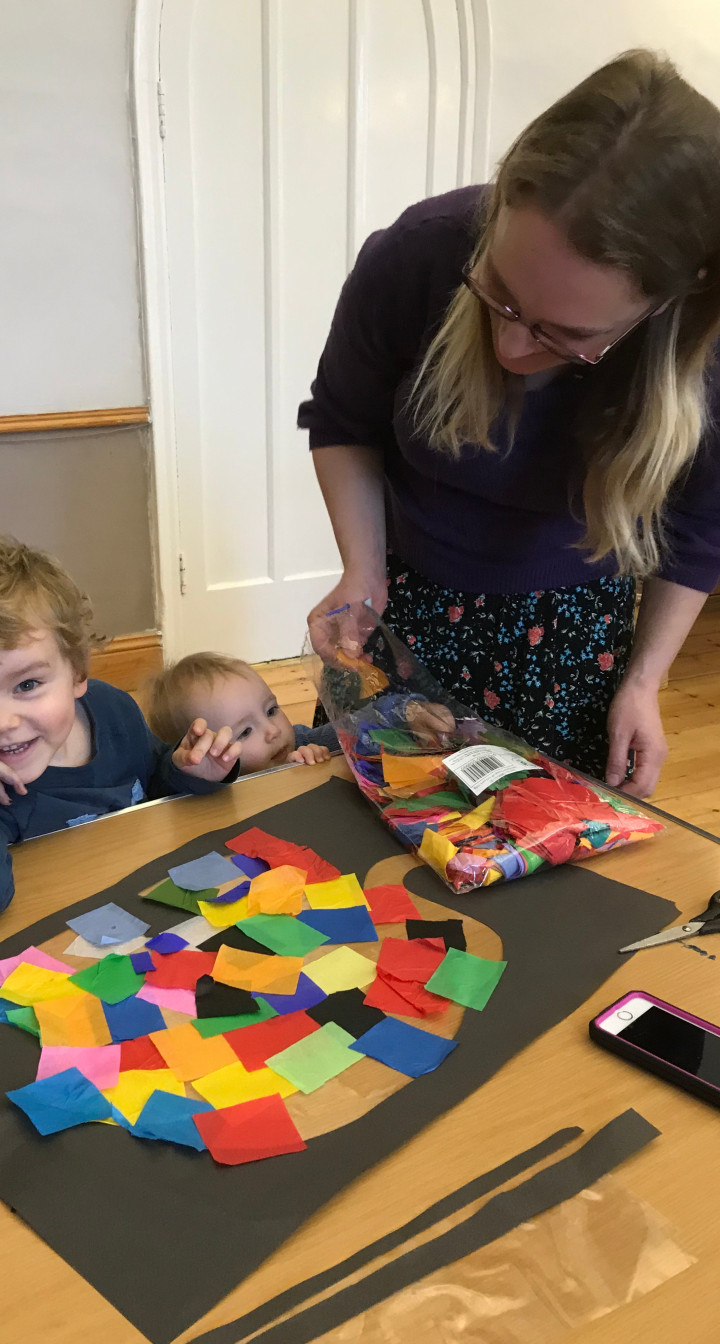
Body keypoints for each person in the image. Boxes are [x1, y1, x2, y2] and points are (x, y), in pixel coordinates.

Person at [300, 50, 720, 794]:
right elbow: (342, 417)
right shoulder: (419, 252)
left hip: (574, 645)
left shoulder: (705, 350)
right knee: (371, 840)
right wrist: (361, 571)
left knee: (536, 855)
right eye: (499, 294)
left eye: (565, 334)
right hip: (407, 608)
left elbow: (696, 530)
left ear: (665, 304)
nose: (512, 346)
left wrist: (645, 681)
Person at [0, 535, 241, 928]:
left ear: (78, 673)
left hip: (149, 909)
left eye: (26, 685)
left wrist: (189, 772)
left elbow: (152, 783)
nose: (0, 722)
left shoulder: (112, 709)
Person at [146, 651, 454, 772]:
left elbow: (355, 730)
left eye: (271, 710)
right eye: (245, 731)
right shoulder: (203, 795)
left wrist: (404, 711)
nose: (273, 731)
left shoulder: (298, 742)